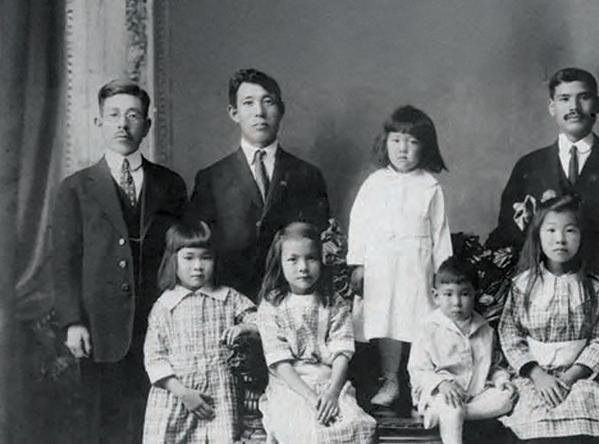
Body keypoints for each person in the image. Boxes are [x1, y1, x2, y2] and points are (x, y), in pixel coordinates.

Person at [51, 79, 187, 443]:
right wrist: (73, 322)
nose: (122, 124)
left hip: (158, 325)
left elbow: (181, 254)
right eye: (113, 115)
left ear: (147, 125)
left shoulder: (170, 184)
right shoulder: (76, 188)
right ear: (99, 122)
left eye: (132, 115)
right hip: (100, 327)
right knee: (103, 423)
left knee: (155, 420)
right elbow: (63, 261)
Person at [487, 67, 599, 285]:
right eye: (564, 99)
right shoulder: (529, 166)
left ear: (597, 104)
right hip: (545, 290)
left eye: (583, 97)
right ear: (552, 107)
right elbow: (506, 236)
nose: (574, 107)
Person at [189, 68, 330, 300]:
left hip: (292, 301)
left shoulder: (308, 175)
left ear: (281, 110)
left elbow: (320, 244)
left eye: (268, 102)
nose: (259, 112)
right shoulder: (211, 179)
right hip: (230, 299)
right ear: (234, 113)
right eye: (248, 103)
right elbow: (197, 248)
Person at [347, 105, 453, 407]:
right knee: (387, 321)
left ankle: (420, 381)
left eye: (412, 141)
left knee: (418, 320)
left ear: (425, 147)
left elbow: (440, 232)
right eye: (396, 140)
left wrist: (442, 270)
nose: (402, 149)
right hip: (381, 266)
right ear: (386, 143)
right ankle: (391, 378)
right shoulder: (374, 183)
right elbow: (359, 224)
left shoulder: (430, 186)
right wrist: (359, 264)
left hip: (416, 266)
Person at [498, 194, 599, 443]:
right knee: (534, 420)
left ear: (582, 236)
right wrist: (537, 375)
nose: (560, 239)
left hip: (578, 378)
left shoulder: (595, 288)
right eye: (551, 230)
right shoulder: (523, 286)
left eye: (570, 230)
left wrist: (570, 377)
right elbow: (510, 334)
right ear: (538, 235)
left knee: (583, 414)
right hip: (534, 377)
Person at [256, 222, 377, 443]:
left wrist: (332, 392)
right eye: (293, 259)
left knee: (357, 425)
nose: (303, 267)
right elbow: (280, 363)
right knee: (306, 431)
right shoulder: (272, 305)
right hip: (291, 386)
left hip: (330, 381)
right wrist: (312, 398)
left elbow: (342, 353)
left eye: (311, 258)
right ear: (280, 263)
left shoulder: (333, 301)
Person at [142, 219, 257, 443]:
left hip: (219, 397)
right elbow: (154, 358)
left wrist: (245, 328)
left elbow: (262, 321)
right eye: (189, 258)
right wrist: (183, 393)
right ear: (173, 260)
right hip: (177, 397)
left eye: (206, 257)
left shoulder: (228, 298)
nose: (198, 266)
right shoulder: (165, 306)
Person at [407, 256, 517, 444]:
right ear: (436, 296)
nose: (456, 302)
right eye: (448, 294)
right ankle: (449, 415)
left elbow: (493, 365)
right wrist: (442, 384)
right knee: (451, 406)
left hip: (476, 395)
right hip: (440, 393)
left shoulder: (485, 329)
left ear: (475, 295)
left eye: (464, 294)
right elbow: (418, 369)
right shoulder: (428, 328)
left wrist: (501, 380)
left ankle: (448, 415)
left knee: (506, 399)